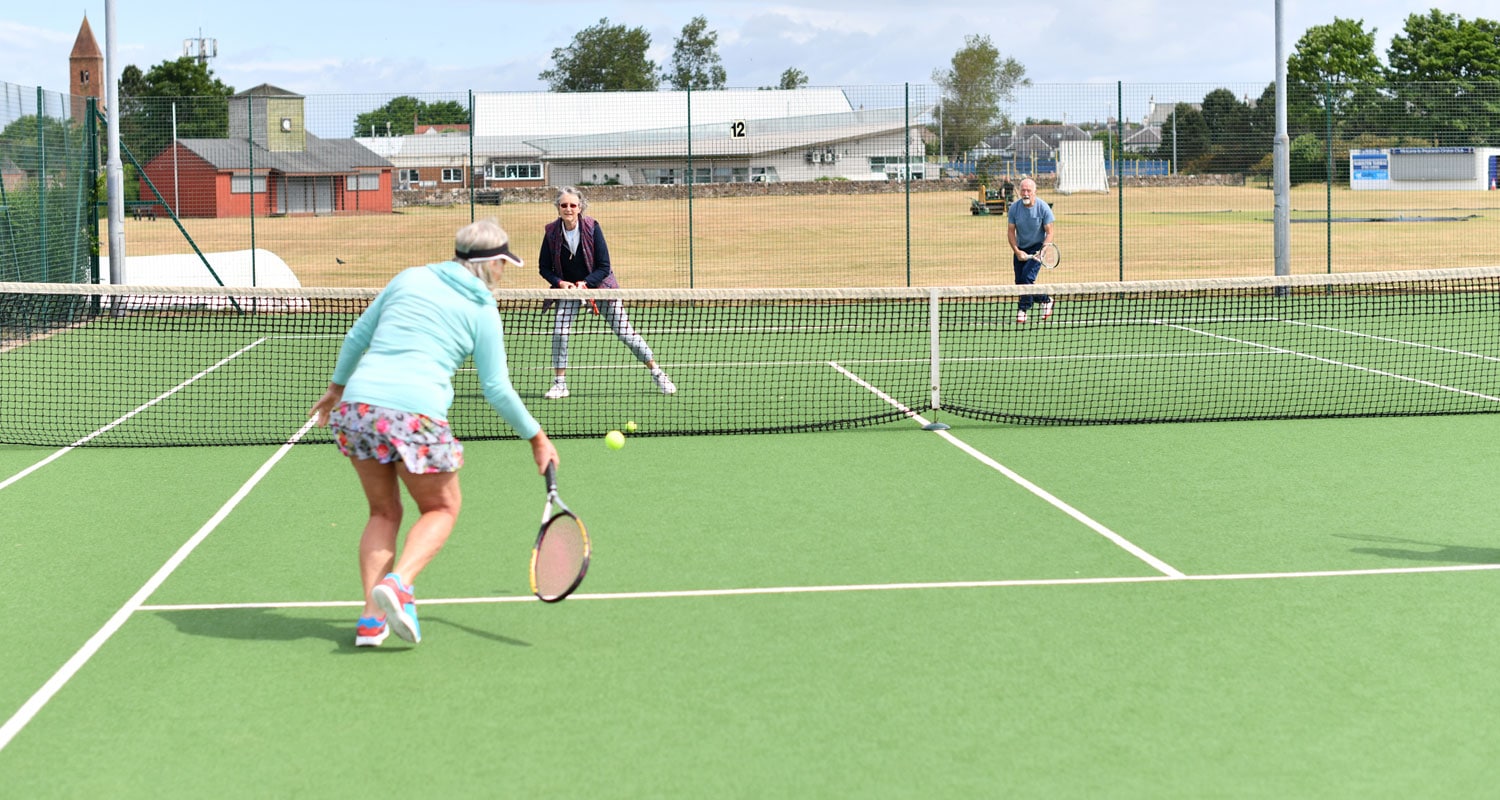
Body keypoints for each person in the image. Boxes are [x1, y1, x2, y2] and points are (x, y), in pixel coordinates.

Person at [309, 218, 558, 647]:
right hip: (415, 415)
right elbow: (496, 389)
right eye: (502, 263)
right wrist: (537, 437)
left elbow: (356, 337)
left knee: (382, 512)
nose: (503, 273)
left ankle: (372, 620)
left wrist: (334, 391)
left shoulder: (410, 277)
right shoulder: (482, 309)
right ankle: (400, 584)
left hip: (358, 408)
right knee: (442, 509)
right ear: (488, 264)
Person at [537, 186, 675, 399]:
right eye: (564, 205)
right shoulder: (551, 231)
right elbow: (544, 267)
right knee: (560, 333)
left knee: (626, 334)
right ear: (558, 208)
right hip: (569, 291)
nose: (568, 209)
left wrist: (586, 283)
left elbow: (604, 266)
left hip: (601, 287)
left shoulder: (592, 227)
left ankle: (657, 372)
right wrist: (561, 283)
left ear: (580, 207)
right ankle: (560, 384)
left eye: (573, 205)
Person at [1006, 177, 1055, 323]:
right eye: (1023, 190)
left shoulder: (1043, 208)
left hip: (1037, 247)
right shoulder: (1014, 208)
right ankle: (1046, 300)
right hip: (1021, 247)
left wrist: (1042, 252)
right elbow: (1010, 232)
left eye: (1028, 190)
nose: (1025, 193)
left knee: (1027, 278)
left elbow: (1050, 232)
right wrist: (1017, 251)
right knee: (1020, 282)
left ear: (1035, 192)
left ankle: (1023, 309)